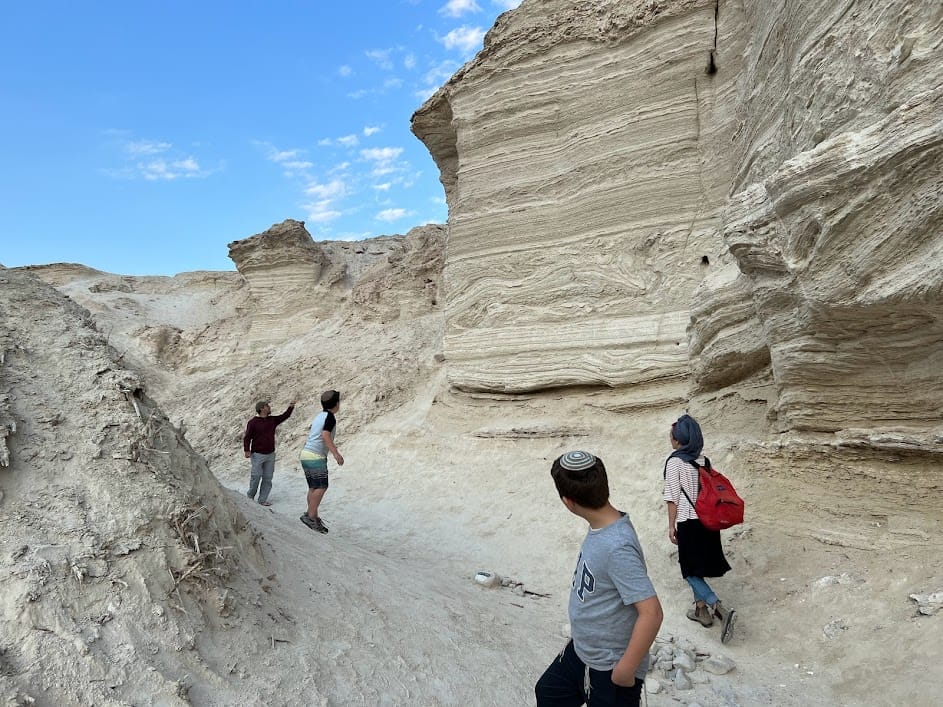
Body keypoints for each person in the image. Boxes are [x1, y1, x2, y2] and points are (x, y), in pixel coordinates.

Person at [536, 451, 663, 707]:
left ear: (568, 502)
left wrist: (625, 671)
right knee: (549, 692)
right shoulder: (603, 527)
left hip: (610, 666)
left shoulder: (617, 546)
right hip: (583, 650)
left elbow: (652, 613)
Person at [663, 413, 736, 643]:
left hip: (688, 522)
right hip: (708, 521)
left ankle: (718, 609)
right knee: (697, 567)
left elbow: (672, 497)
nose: (671, 439)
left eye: (673, 436)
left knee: (688, 570)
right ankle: (701, 612)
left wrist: (671, 526)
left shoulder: (674, 462)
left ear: (678, 440)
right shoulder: (703, 461)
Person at [298, 389, 344, 533]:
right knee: (321, 486)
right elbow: (325, 435)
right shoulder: (330, 417)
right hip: (315, 456)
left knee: (313, 487)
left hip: (306, 453)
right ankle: (311, 518)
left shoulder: (320, 415)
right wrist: (336, 454)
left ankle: (312, 515)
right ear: (336, 404)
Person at [243, 399, 295, 505]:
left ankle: (262, 500)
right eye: (267, 406)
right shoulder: (253, 422)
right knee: (256, 476)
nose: (269, 407)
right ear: (262, 408)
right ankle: (250, 497)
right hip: (257, 454)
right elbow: (247, 437)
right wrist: (246, 450)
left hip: (270, 454)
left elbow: (284, 416)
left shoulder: (272, 420)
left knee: (267, 478)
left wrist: (291, 407)